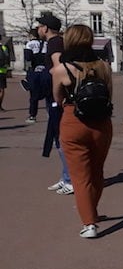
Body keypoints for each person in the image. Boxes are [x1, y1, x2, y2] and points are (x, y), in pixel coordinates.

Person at [53, 24, 113, 238]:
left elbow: (57, 97)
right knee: (97, 171)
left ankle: (89, 223)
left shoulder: (62, 68)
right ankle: (92, 212)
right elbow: (110, 94)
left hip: (73, 120)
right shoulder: (103, 65)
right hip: (102, 123)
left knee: (80, 176)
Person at [35, 14, 73, 194]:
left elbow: (58, 68)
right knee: (59, 136)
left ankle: (70, 179)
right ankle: (66, 176)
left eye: (40, 26)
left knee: (60, 137)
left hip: (57, 97)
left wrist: (42, 78)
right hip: (56, 95)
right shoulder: (58, 41)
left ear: (46, 28)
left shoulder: (54, 43)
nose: (38, 29)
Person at [22, 28, 46, 122]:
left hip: (34, 71)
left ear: (31, 35)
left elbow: (28, 59)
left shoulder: (29, 44)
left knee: (33, 96)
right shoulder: (46, 43)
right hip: (45, 70)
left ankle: (32, 115)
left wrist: (27, 72)